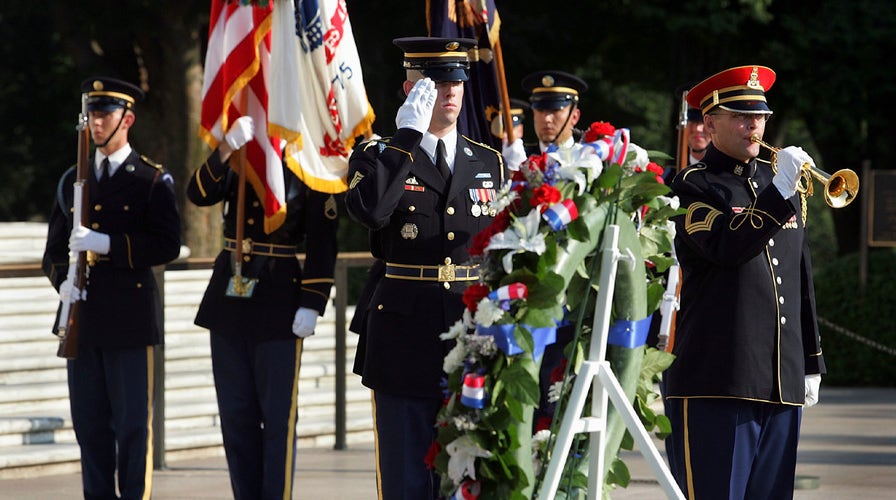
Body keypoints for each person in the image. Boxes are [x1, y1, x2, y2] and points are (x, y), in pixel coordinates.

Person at [345, 36, 508, 499]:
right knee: (405, 476)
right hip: (404, 335)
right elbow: (373, 213)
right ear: (409, 89)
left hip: (469, 332)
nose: (450, 89)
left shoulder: (488, 161)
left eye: (457, 79)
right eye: (435, 81)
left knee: (467, 474)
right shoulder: (378, 156)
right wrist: (406, 141)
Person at [664, 65, 825, 499]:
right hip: (718, 381)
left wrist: (810, 360)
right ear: (710, 123)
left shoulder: (778, 182)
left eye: (760, 116)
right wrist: (780, 190)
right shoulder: (693, 186)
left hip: (780, 380)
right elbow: (727, 248)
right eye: (739, 115)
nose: (753, 125)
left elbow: (799, 275)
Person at [42, 76, 182, 499]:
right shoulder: (72, 179)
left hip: (130, 321)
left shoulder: (151, 180)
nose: (96, 123)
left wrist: (108, 245)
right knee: (90, 427)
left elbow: (167, 244)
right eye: (92, 114)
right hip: (82, 321)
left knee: (133, 428)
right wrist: (62, 280)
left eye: (105, 114)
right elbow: (52, 251)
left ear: (128, 119)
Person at [186, 116, 339, 499]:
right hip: (229, 297)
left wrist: (313, 301)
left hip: (278, 297)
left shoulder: (311, 159)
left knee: (277, 420)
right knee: (236, 418)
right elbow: (198, 193)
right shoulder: (240, 152)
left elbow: (323, 241)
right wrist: (225, 149)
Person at [520, 70, 588, 157]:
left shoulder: (588, 158)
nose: (547, 119)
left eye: (555, 110)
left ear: (574, 117)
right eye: (540, 110)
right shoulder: (520, 159)